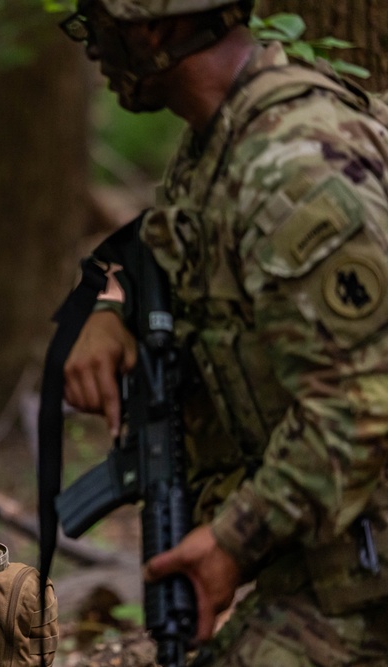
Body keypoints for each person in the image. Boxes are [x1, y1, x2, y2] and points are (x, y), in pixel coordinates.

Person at [57, 0, 388, 664]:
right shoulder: (219, 143)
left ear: (153, 29)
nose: (96, 52)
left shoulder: (292, 167)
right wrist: (113, 311)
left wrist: (231, 540)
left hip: (364, 569)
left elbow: (361, 404)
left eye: (102, 30)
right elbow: (194, 265)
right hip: (331, 547)